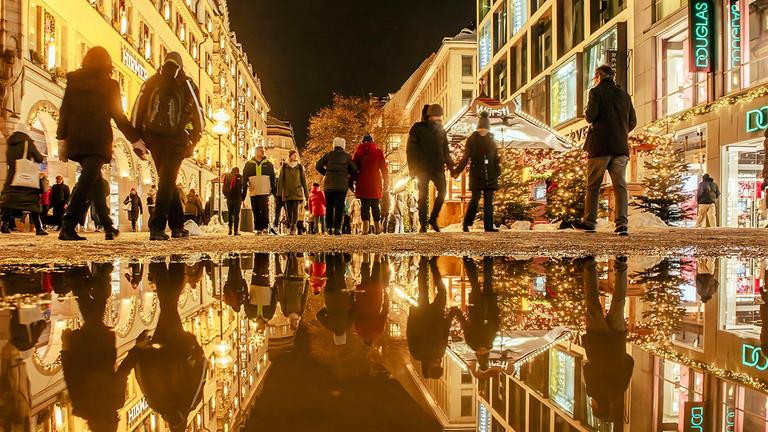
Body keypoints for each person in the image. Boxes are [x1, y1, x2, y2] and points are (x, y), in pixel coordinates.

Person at [56, 47, 144, 241]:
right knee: (86, 182)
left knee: (95, 183)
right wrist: (136, 139)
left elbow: (65, 111)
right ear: (107, 63)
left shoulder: (74, 81)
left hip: (76, 138)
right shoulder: (110, 85)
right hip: (97, 140)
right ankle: (68, 224)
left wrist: (62, 139)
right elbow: (118, 116)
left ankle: (108, 226)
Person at [131, 51, 204, 241]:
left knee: (167, 178)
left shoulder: (152, 81)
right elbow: (198, 113)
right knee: (166, 180)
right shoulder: (186, 83)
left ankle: (177, 225)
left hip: (153, 138)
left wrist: (137, 137)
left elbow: (138, 107)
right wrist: (194, 139)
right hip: (177, 139)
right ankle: (157, 226)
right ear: (180, 65)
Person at [572, 65, 637, 236]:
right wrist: (620, 133)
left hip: (600, 146)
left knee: (593, 186)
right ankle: (622, 224)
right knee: (620, 186)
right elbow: (633, 122)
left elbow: (591, 116)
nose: (595, 80)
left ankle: (589, 222)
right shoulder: (624, 95)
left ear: (599, 76)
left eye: (595, 77)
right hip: (620, 147)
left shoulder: (596, 92)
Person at [581, 256, 634, 423]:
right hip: (596, 340)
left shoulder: (619, 390)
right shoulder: (593, 390)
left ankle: (622, 266)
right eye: (593, 406)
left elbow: (630, 363)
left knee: (619, 302)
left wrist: (619, 356)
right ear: (597, 406)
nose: (591, 403)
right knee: (592, 302)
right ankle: (589, 265)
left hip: (616, 340)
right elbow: (587, 367)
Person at [406, 104, 454, 233]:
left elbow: (446, 151)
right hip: (422, 168)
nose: (438, 118)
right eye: (435, 115)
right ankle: (423, 224)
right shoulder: (417, 128)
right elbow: (410, 150)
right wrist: (412, 169)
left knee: (442, 191)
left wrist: (452, 168)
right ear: (428, 116)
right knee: (423, 196)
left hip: (438, 167)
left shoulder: (441, 130)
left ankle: (433, 218)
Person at [407, 256, 456, 379]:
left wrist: (412, 315)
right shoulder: (432, 353)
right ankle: (430, 265)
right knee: (432, 290)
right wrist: (449, 316)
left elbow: (411, 333)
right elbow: (445, 332)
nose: (437, 363)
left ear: (428, 367)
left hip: (426, 315)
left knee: (425, 289)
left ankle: (426, 264)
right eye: (439, 365)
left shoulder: (419, 353)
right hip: (433, 315)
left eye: (435, 366)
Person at [453, 111, 501, 232]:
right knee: (475, 200)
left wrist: (497, 171)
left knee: (488, 202)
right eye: (481, 130)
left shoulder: (491, 139)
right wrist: (457, 170)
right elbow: (465, 157)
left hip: (490, 175)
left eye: (484, 130)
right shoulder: (472, 140)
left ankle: (488, 226)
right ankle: (467, 223)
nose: (483, 132)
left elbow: (495, 158)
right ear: (478, 128)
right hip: (476, 175)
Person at [0, 124, 47, 236]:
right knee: (33, 204)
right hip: (27, 179)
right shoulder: (27, 143)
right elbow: (39, 158)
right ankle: (39, 228)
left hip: (13, 178)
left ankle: (5, 224)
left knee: (10, 202)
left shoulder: (10, 145)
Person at [454, 257, 499, 373]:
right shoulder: (490, 341)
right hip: (489, 306)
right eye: (484, 353)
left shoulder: (472, 343)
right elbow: (496, 324)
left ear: (478, 355)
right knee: (488, 282)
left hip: (477, 308)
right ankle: (488, 259)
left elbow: (465, 326)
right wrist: (495, 311)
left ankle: (468, 261)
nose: (482, 351)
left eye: (480, 353)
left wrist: (458, 313)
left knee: (475, 283)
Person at [316, 137, 357, 235]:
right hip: (341, 185)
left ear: (334, 145)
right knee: (339, 207)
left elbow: (318, 166)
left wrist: (326, 173)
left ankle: (329, 228)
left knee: (329, 207)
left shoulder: (328, 155)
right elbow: (354, 169)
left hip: (329, 184)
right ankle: (337, 228)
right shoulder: (346, 156)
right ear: (343, 145)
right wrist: (347, 174)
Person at [352, 134, 388, 235]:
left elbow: (354, 170)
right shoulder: (378, 152)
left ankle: (365, 229)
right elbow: (384, 169)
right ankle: (377, 228)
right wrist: (386, 182)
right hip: (375, 182)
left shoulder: (358, 153)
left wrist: (353, 181)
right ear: (372, 142)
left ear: (363, 142)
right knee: (375, 205)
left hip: (363, 182)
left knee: (365, 206)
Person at [242, 146, 276, 234]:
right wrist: (244, 187)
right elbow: (245, 176)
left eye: (262, 151)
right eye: (260, 151)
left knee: (264, 209)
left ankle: (264, 227)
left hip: (265, 190)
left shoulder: (268, 164)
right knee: (255, 209)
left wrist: (273, 188)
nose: (262, 152)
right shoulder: (249, 164)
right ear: (256, 152)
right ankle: (258, 228)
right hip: (254, 190)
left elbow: (273, 177)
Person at [277, 150, 309, 235]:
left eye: (296, 155)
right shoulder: (284, 167)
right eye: (293, 155)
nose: (295, 156)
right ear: (290, 156)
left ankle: (293, 226)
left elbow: (303, 181)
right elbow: (280, 180)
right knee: (288, 211)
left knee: (295, 210)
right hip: (287, 192)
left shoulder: (299, 167)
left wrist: (306, 194)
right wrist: (279, 193)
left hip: (297, 192)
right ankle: (291, 224)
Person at [223, 167, 245, 235]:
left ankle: (230, 230)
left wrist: (226, 195)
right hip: (237, 198)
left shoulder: (227, 176)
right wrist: (242, 197)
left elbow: (223, 187)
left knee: (229, 214)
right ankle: (235, 231)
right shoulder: (240, 177)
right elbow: (244, 188)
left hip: (229, 198)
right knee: (236, 215)